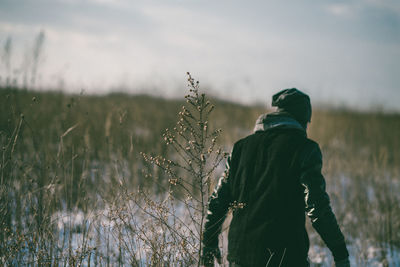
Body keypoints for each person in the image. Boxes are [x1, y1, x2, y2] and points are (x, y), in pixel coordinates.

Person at [201, 88, 350, 267]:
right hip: (286, 258)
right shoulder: (305, 149)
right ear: (303, 120)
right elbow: (317, 208)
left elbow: (218, 200)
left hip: (241, 257)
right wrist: (340, 252)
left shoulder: (241, 148)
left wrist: (208, 244)